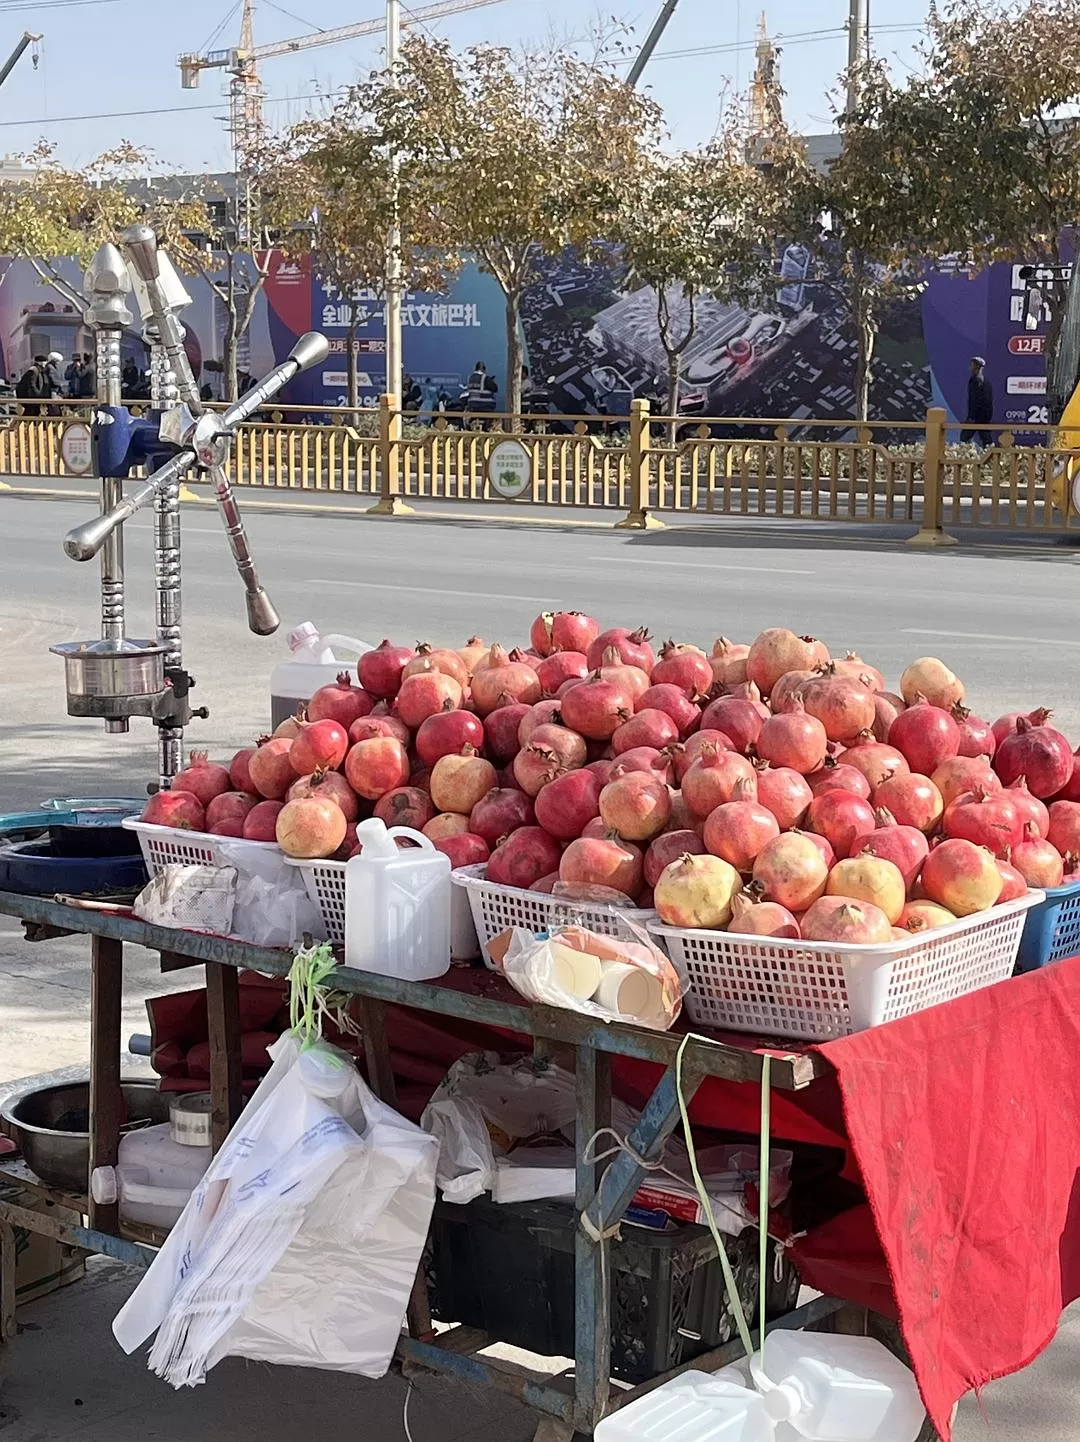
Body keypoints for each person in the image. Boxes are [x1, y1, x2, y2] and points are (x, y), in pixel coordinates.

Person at [961, 356, 994, 447]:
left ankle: (989, 458)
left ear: (978, 367)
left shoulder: (983, 382)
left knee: (985, 438)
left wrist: (975, 417)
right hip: (973, 416)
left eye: (972, 365)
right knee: (965, 438)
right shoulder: (972, 380)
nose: (970, 367)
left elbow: (986, 401)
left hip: (980, 417)